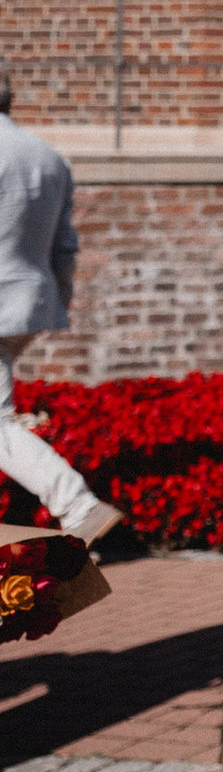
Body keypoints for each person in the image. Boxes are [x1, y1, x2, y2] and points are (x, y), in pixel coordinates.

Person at [0, 67, 121, 541]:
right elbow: (64, 248)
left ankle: (76, 505)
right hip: (27, 302)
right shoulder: (48, 157)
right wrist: (59, 299)